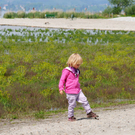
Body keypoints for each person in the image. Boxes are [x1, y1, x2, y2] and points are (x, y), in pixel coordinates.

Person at [59, 53, 99, 121]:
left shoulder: (77, 70)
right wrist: (61, 88)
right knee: (72, 104)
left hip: (78, 90)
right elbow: (62, 80)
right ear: (72, 62)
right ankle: (70, 116)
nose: (78, 66)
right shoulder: (66, 71)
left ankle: (89, 112)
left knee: (85, 100)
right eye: (77, 64)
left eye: (79, 65)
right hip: (70, 91)